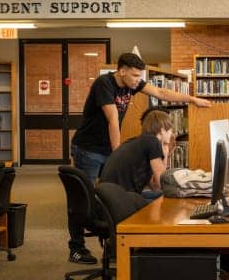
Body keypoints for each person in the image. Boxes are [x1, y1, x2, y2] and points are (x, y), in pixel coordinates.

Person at [67, 53, 210, 264]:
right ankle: (76, 248)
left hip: (106, 148)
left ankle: (116, 247)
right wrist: (117, 152)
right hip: (88, 148)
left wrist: (192, 99)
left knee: (111, 196)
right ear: (122, 71)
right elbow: (113, 120)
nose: (137, 80)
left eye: (139, 76)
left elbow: (161, 92)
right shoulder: (103, 84)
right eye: (134, 75)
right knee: (83, 201)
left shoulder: (130, 84)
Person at [99, 109, 174, 200]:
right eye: (171, 130)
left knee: (161, 196)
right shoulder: (153, 141)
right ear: (162, 130)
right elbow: (162, 183)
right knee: (170, 199)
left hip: (109, 198)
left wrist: (165, 151)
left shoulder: (140, 143)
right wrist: (165, 151)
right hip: (119, 201)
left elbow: (155, 188)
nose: (172, 134)